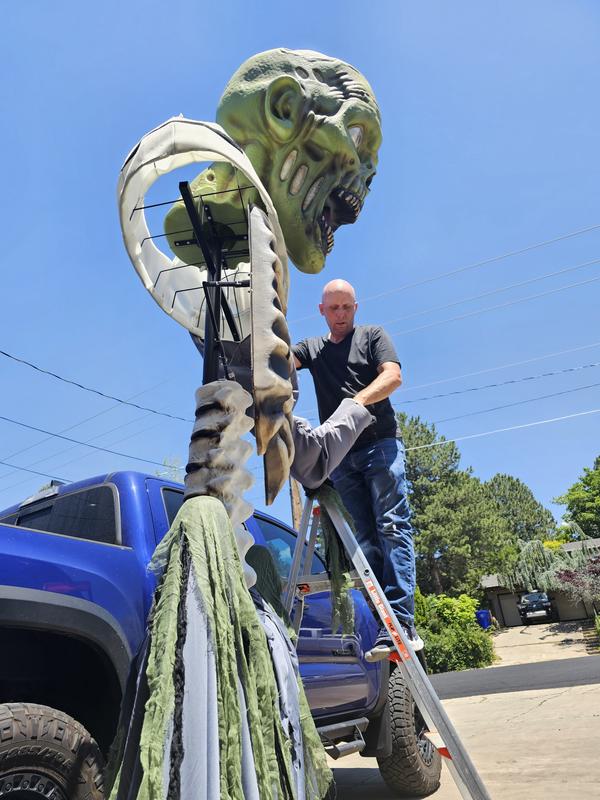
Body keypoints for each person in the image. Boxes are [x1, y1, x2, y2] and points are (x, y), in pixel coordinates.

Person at [293, 279, 422, 653]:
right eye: (333, 308)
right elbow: (281, 361)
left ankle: (403, 622)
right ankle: (386, 625)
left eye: (346, 307)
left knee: (392, 526)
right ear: (321, 310)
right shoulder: (313, 349)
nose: (340, 315)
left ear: (356, 307)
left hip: (380, 444)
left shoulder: (372, 336)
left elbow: (393, 375)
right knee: (364, 540)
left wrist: (355, 404)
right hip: (341, 458)